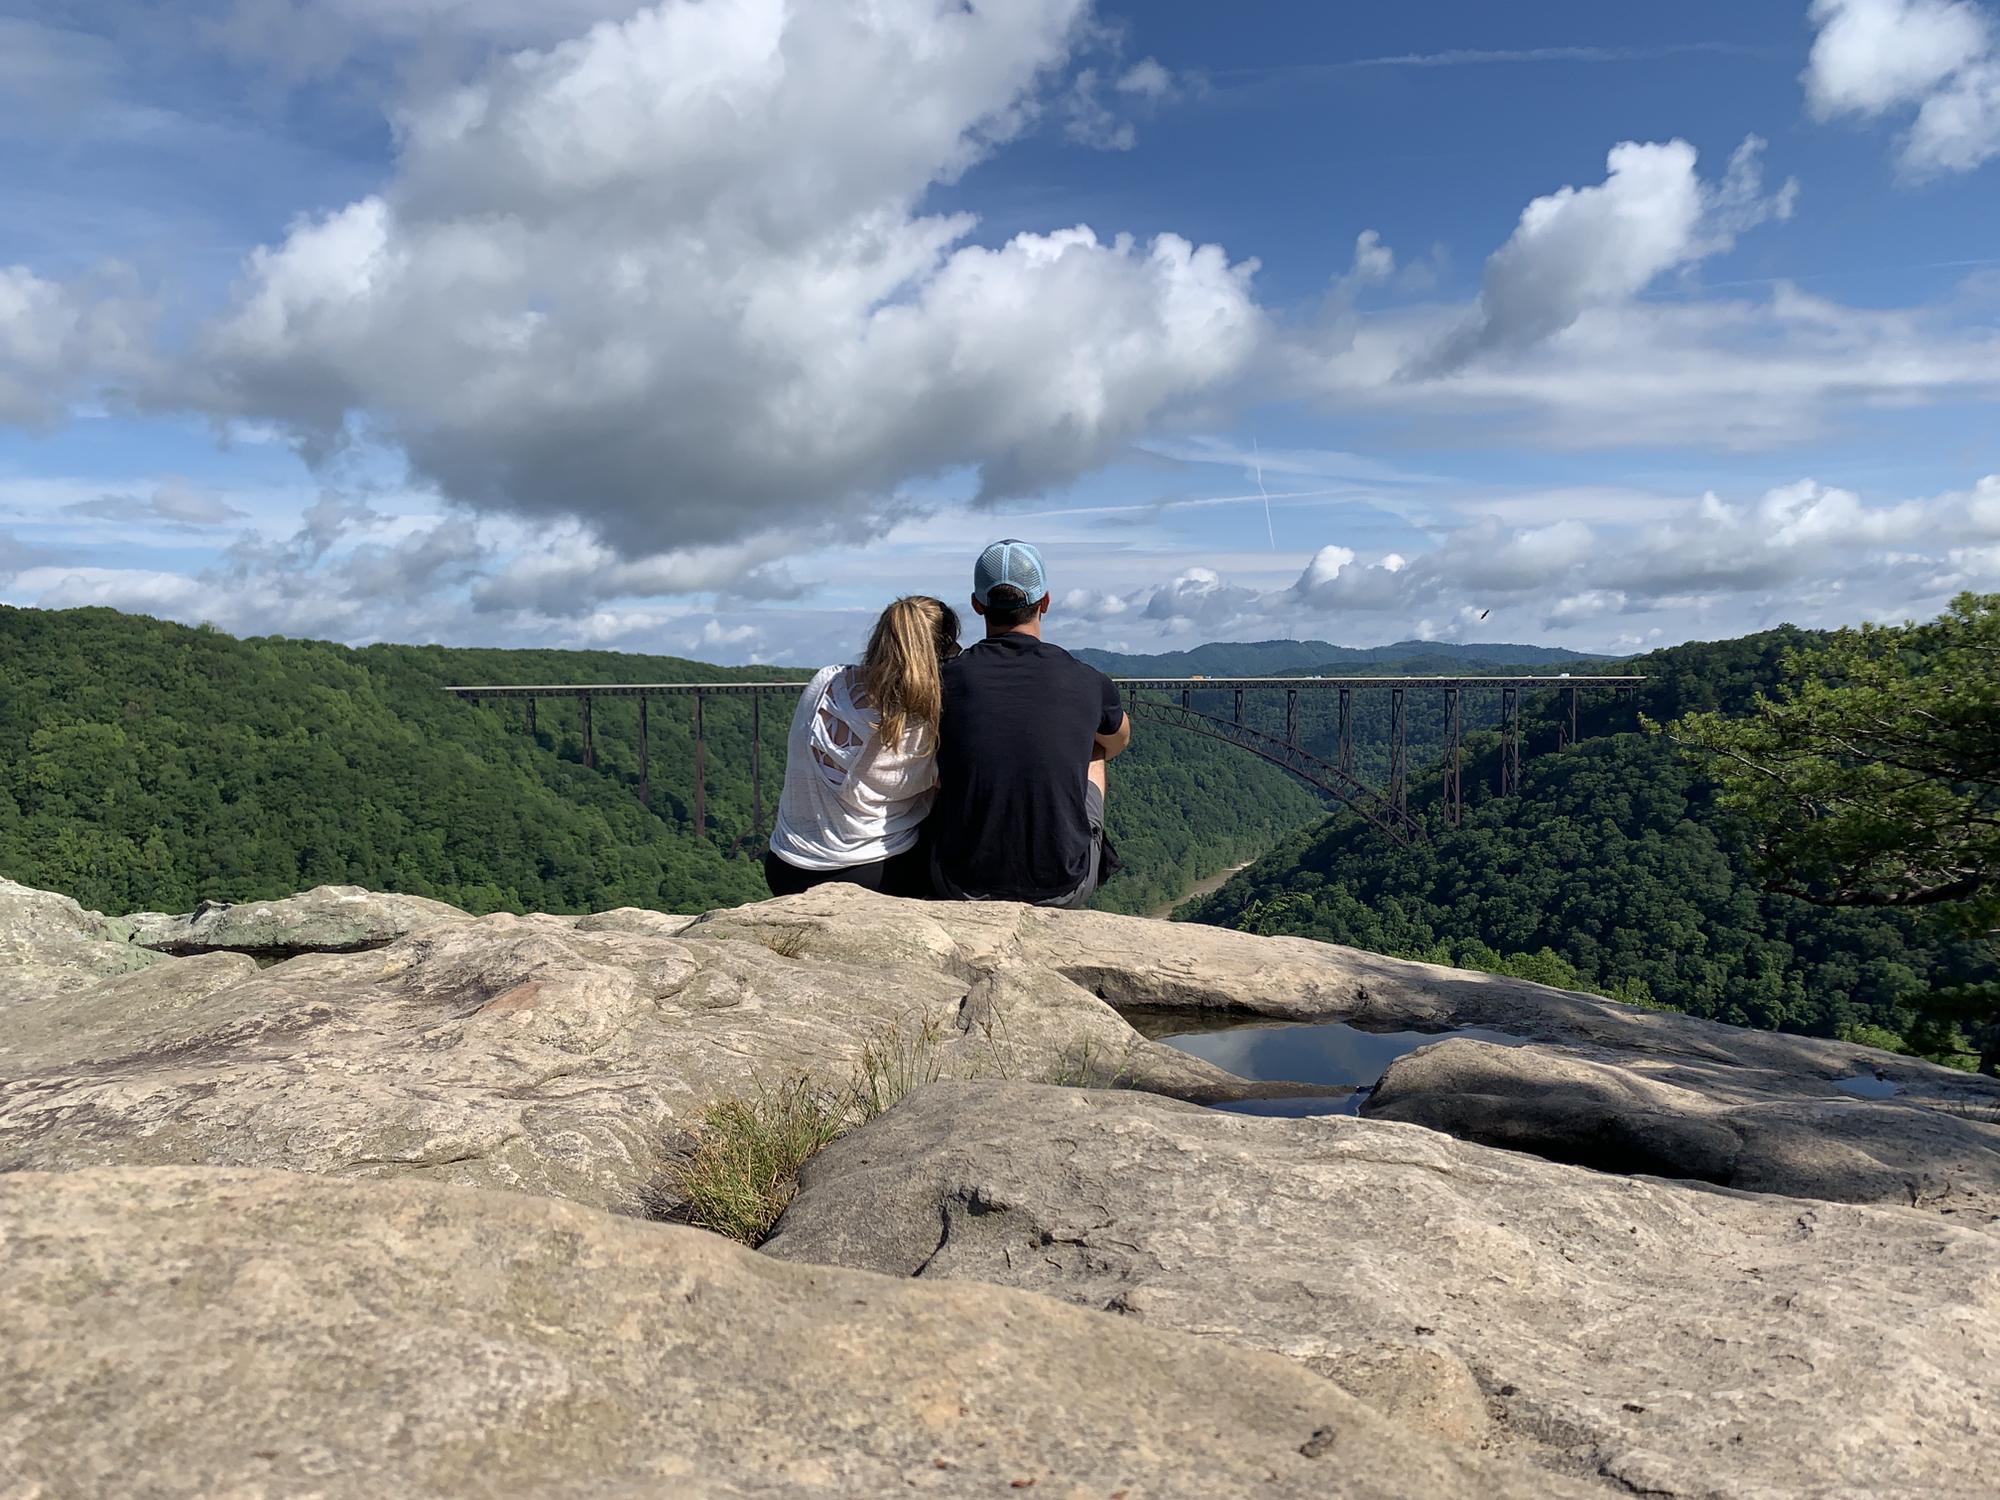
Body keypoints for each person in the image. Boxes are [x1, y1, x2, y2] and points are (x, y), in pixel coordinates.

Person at [928, 539, 1129, 907]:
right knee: (1095, 748)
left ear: (977, 604)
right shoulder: (1086, 679)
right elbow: (1118, 741)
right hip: (1061, 888)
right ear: (1046, 602)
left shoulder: (945, 679)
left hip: (960, 884)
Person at [765, 595, 960, 898]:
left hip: (787, 869)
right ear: (938, 656)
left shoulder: (825, 682)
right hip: (874, 876)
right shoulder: (924, 728)